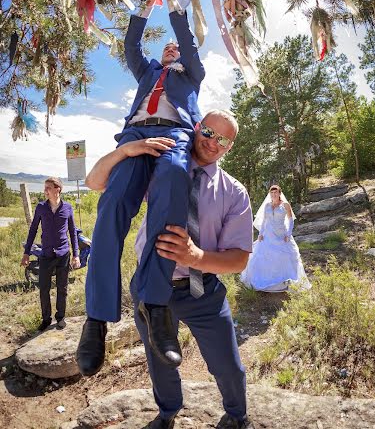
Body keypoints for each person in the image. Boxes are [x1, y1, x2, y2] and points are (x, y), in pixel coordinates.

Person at [84, 110, 255, 429]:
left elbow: (239, 258)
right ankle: (167, 412)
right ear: (196, 127)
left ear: (229, 147)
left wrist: (196, 256)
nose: (213, 143)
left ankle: (236, 414)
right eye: (208, 132)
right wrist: (125, 150)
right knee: (159, 363)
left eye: (223, 140)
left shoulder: (234, 193)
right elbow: (94, 182)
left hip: (203, 291)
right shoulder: (160, 166)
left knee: (227, 364)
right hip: (151, 291)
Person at [77, 0, 205, 376]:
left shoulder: (192, 74)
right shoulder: (147, 71)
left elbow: (186, 40)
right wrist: (149, 2)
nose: (171, 49)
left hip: (175, 135)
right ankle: (96, 318)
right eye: (166, 48)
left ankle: (155, 304)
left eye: (175, 49)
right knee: (112, 205)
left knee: (173, 182)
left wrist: (174, 5)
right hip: (135, 136)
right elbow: (131, 45)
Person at [21, 177, 80, 331]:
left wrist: (76, 255)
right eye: (45, 187)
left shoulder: (67, 208)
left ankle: (60, 317)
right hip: (46, 254)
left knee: (62, 287)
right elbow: (33, 229)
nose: (45, 190)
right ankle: (46, 319)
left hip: (63, 254)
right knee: (44, 288)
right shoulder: (41, 207)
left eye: (48, 187)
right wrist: (26, 253)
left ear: (57, 189)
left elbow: (72, 232)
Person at [240, 185, 311, 292]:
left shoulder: (285, 205)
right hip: (268, 234)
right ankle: (266, 279)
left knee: (283, 256)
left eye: (276, 193)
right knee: (262, 255)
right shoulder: (267, 205)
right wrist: (261, 233)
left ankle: (284, 280)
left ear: (279, 193)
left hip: (281, 235)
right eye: (272, 193)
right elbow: (264, 221)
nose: (274, 195)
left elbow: (291, 220)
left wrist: (288, 234)